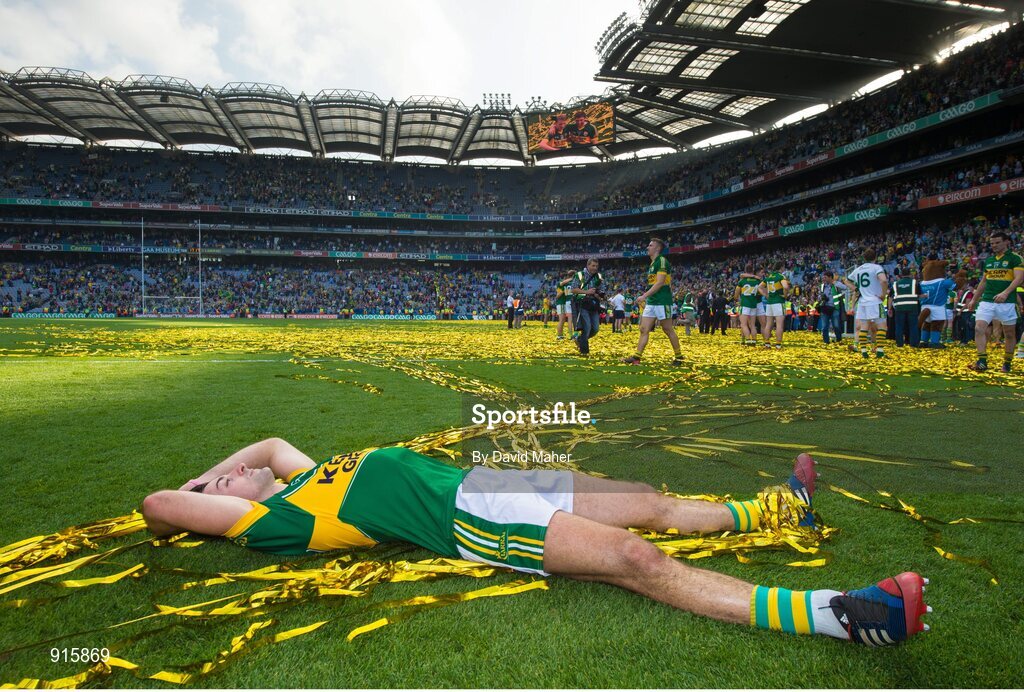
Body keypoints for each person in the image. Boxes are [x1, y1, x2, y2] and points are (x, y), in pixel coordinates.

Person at [142, 439, 930, 647]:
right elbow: (157, 502)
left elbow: (271, 443)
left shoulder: (298, 479)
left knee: (649, 504)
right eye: (221, 483)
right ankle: (841, 614)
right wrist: (204, 490)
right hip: (473, 517)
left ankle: (779, 510)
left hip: (487, 480)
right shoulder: (272, 521)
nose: (237, 473)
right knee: (635, 559)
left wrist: (234, 471)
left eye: (231, 474)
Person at [967, 231, 1024, 373]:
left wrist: (1005, 293)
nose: (994, 245)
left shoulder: (1015, 258)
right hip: (987, 300)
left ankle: (1007, 363)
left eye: (997, 242)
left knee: (1009, 334)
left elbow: (1019, 279)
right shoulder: (989, 260)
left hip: (1008, 302)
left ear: (1007, 242)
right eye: (992, 243)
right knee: (979, 328)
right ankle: (982, 361)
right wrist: (974, 299)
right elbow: (984, 281)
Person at [622, 239, 684, 366]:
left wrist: (644, 296)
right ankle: (637, 357)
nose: (647, 247)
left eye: (650, 245)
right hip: (652, 301)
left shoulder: (661, 261)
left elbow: (660, 282)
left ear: (657, 248)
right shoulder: (652, 263)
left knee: (667, 329)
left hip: (662, 301)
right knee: (644, 329)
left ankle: (679, 357)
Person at [845, 249, 889, 359]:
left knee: (864, 327)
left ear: (864, 258)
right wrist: (883, 294)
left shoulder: (858, 269)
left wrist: (855, 289)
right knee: (882, 326)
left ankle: (864, 351)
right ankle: (880, 351)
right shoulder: (877, 268)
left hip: (862, 302)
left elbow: (846, 280)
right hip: (874, 301)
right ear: (875, 257)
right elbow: (883, 281)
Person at [570, 258, 603, 357]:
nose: (595, 268)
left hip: (593, 305)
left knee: (595, 329)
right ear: (588, 265)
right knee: (587, 327)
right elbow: (573, 290)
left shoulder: (599, 276)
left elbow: (601, 290)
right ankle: (584, 351)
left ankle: (580, 340)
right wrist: (587, 292)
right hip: (582, 303)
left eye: (596, 266)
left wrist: (600, 295)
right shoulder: (579, 275)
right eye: (593, 266)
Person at [760, 263, 790, 349]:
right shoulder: (781, 276)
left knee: (768, 324)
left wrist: (766, 295)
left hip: (770, 302)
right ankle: (778, 345)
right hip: (778, 302)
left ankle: (767, 343)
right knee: (779, 324)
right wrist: (785, 295)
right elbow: (785, 286)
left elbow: (760, 287)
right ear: (781, 267)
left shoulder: (769, 277)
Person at [889, 268, 921, 348]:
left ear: (901, 274)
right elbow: (919, 295)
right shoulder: (915, 283)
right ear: (910, 274)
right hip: (912, 307)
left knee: (899, 326)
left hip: (899, 307)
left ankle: (899, 344)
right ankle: (913, 344)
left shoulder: (895, 284)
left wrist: (890, 309)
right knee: (913, 326)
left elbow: (890, 297)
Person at [735, 265, 761, 347]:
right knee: (752, 325)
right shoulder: (757, 281)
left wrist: (738, 299)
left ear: (745, 271)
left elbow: (736, 294)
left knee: (743, 324)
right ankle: (754, 340)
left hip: (745, 304)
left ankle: (748, 340)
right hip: (753, 304)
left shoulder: (742, 281)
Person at [818, 273, 843, 346]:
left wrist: (835, 283)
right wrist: (821, 298)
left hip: (835, 308)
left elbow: (845, 287)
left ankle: (839, 340)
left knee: (836, 326)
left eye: (825, 277)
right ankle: (826, 341)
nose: (823, 279)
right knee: (824, 326)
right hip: (825, 308)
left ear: (830, 277)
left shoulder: (836, 284)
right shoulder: (822, 286)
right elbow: (820, 295)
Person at [555, 274, 574, 340]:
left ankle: (561, 335)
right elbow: (557, 296)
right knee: (562, 320)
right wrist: (563, 291)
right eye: (566, 278)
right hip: (561, 303)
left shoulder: (563, 285)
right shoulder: (560, 284)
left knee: (563, 320)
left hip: (563, 303)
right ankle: (559, 335)